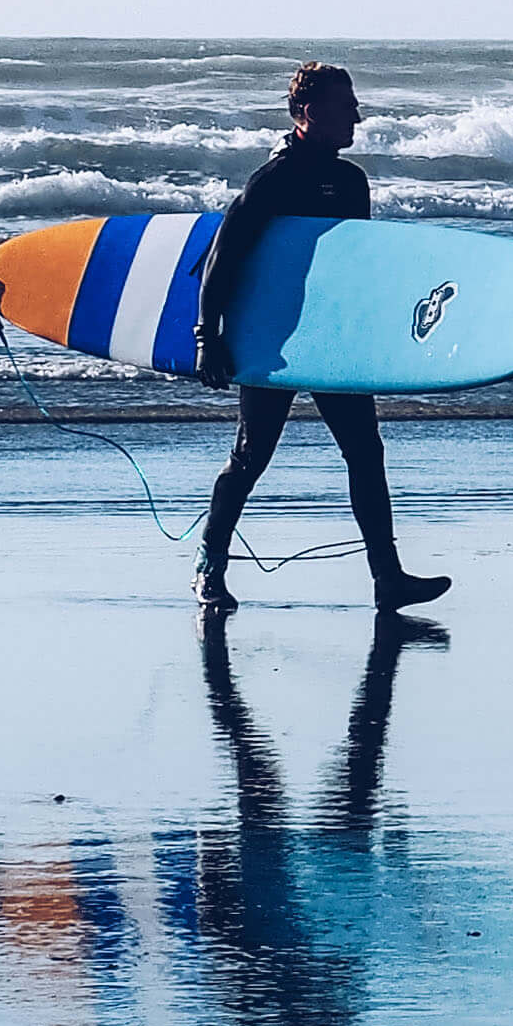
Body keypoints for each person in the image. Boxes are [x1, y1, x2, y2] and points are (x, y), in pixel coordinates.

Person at [193, 61, 448, 620]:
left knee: (365, 453)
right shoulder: (275, 178)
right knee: (250, 457)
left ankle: (388, 579)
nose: (357, 114)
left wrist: (377, 336)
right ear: (309, 113)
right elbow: (222, 256)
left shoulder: (352, 181)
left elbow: (353, 269)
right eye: (344, 105)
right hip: (276, 340)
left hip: (331, 341)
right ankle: (210, 568)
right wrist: (207, 337)